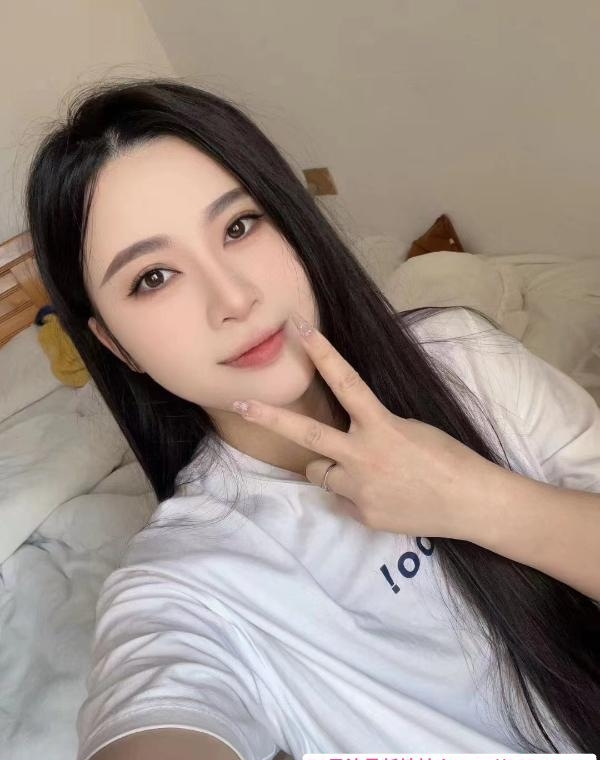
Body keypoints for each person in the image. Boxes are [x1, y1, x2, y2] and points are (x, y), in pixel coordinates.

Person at [25, 79, 599, 760]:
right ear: (117, 346)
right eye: (153, 277)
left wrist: (476, 500)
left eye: (239, 227)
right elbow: (160, 699)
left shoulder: (462, 356)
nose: (234, 298)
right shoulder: (185, 579)